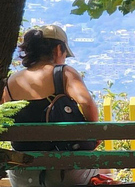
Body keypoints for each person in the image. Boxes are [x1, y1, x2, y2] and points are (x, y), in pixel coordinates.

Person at [1, 25, 99, 186]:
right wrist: (93, 134)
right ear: (59, 49)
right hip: (63, 172)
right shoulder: (63, 73)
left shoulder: (12, 81)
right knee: (98, 169)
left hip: (22, 174)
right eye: (65, 54)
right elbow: (86, 103)